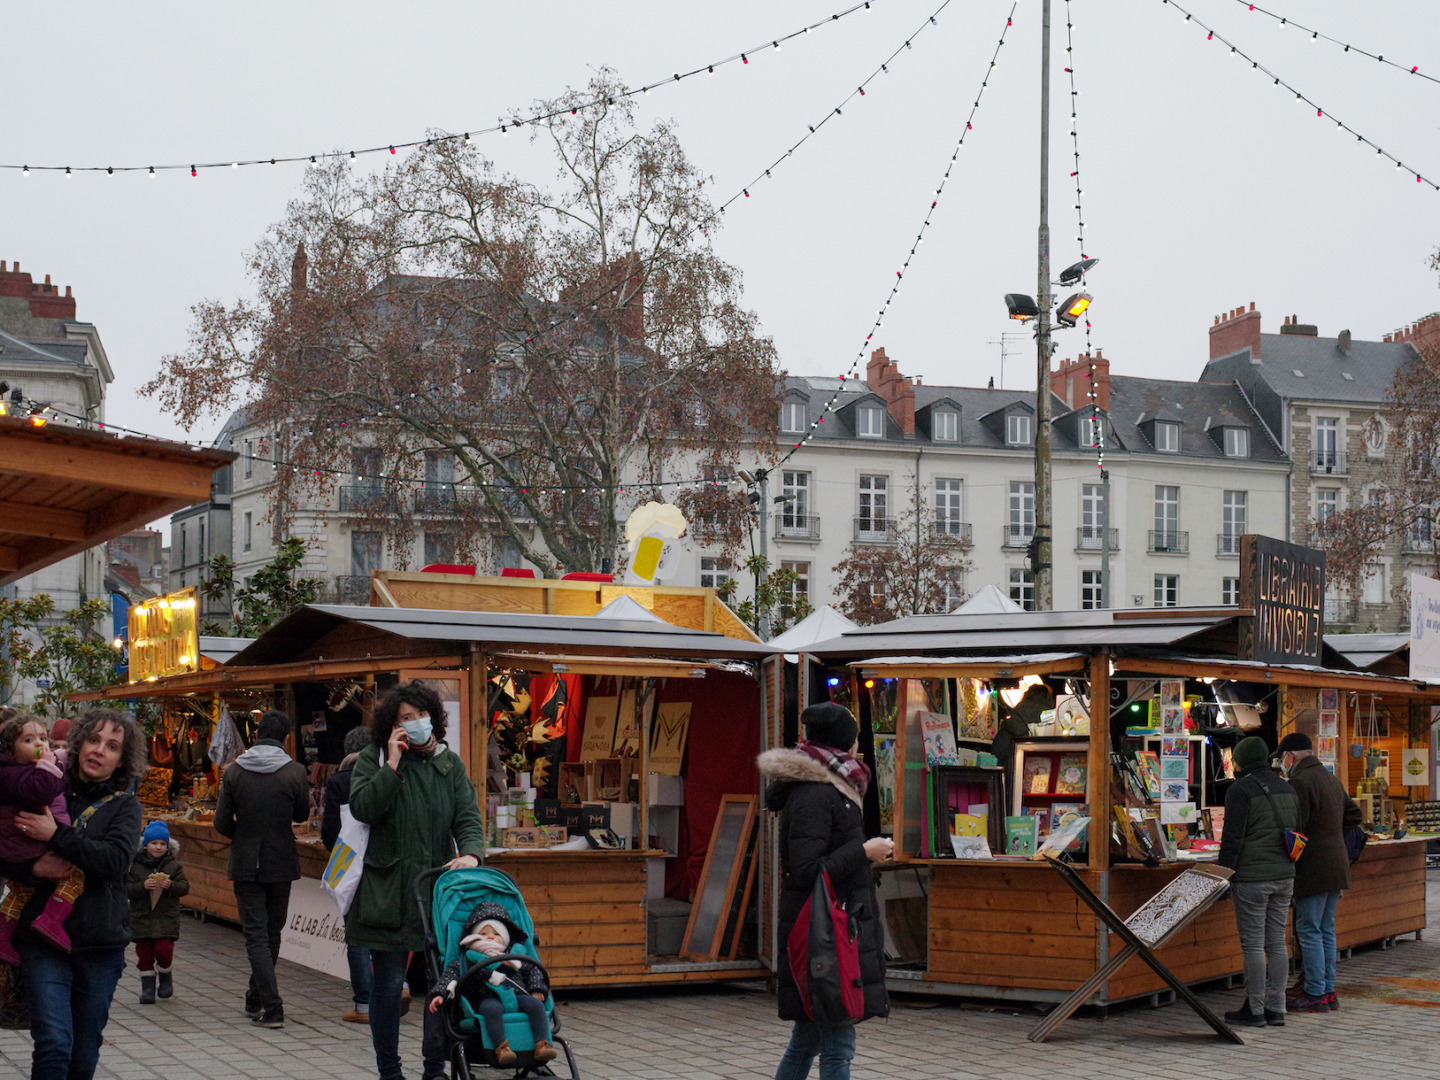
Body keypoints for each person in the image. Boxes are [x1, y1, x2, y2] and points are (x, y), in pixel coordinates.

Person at [346, 681, 486, 1080]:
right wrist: (391, 764)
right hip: (387, 892)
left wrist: (472, 852)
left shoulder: (449, 763)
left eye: (422, 715)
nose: (418, 723)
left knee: (440, 989)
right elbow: (364, 808)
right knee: (389, 987)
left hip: (436, 892)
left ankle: (434, 1068)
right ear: (392, 726)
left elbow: (468, 817)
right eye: (407, 718)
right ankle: (389, 1071)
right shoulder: (374, 760)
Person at [758, 701, 891, 1080]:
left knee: (809, 1038)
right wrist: (863, 851)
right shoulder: (816, 793)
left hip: (832, 927)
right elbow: (804, 870)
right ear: (843, 744)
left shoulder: (835, 786)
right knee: (837, 1043)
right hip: (823, 933)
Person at [11, 707, 145, 1080]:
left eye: (112, 745)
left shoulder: (124, 805)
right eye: (94, 739)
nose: (99, 750)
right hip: (41, 941)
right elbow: (7, 849)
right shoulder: (44, 788)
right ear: (79, 740)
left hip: (100, 945)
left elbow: (116, 862)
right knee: (54, 1043)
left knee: (82, 1055)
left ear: (122, 758)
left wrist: (56, 835)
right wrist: (33, 869)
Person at [214, 709, 309, 1029]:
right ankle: (260, 999)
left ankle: (269, 1004)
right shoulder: (295, 771)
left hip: (245, 861)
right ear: (286, 738)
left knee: (256, 935)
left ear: (256, 735)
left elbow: (220, 822)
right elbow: (301, 814)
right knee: (271, 933)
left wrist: (242, 837)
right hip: (282, 860)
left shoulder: (234, 772)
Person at [1218, 734, 1300, 1028]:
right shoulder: (1287, 788)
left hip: (1252, 878)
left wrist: (1223, 876)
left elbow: (1233, 837)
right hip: (1284, 876)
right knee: (1277, 942)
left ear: (1240, 760)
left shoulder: (1240, 790)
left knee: (1253, 945)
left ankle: (1254, 1010)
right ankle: (1276, 1008)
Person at [1277, 732, 1362, 1013]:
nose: (1282, 764)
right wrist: (1334, 839)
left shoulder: (1300, 781)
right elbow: (1354, 815)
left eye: (1282, 758)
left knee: (1309, 930)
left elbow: (1296, 826)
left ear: (1291, 756)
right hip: (1335, 865)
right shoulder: (1329, 777)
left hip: (1313, 868)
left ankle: (1315, 992)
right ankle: (1327, 991)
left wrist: (1313, 843)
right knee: (1325, 929)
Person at [0, 711, 86, 963]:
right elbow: (42, 790)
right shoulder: (15, 772)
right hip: (26, 844)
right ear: (10, 749)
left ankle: (3, 936)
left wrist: (54, 762)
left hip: (21, 845)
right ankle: (51, 919)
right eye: (28, 740)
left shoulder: (20, 769)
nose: (39, 744)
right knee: (76, 875)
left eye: (42, 738)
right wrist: (49, 766)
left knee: (21, 891)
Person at [426, 901, 557, 1066]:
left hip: (517, 995)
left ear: (506, 938)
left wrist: (537, 988)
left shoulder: (516, 955)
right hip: (486, 997)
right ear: (473, 936)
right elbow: (450, 975)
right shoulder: (468, 958)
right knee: (491, 1009)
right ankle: (501, 1048)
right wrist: (440, 993)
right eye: (484, 933)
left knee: (536, 1006)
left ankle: (542, 1044)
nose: (490, 937)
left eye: (496, 933)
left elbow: (533, 972)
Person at [322, 724, 384, 1024]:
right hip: (385, 865)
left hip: (352, 868)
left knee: (357, 936)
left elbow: (330, 832)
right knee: (387, 932)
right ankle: (400, 988)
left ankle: (364, 1005)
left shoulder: (339, 781)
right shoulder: (387, 775)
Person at [126, 820, 190, 1004]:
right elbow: (126, 888)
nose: (158, 847)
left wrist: (171, 886)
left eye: (162, 844)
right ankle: (147, 988)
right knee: (144, 953)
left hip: (166, 918)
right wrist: (142, 886)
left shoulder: (173, 866)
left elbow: (184, 887)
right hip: (141, 918)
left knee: (163, 949)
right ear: (145, 845)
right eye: (154, 843)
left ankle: (165, 975)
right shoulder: (134, 866)